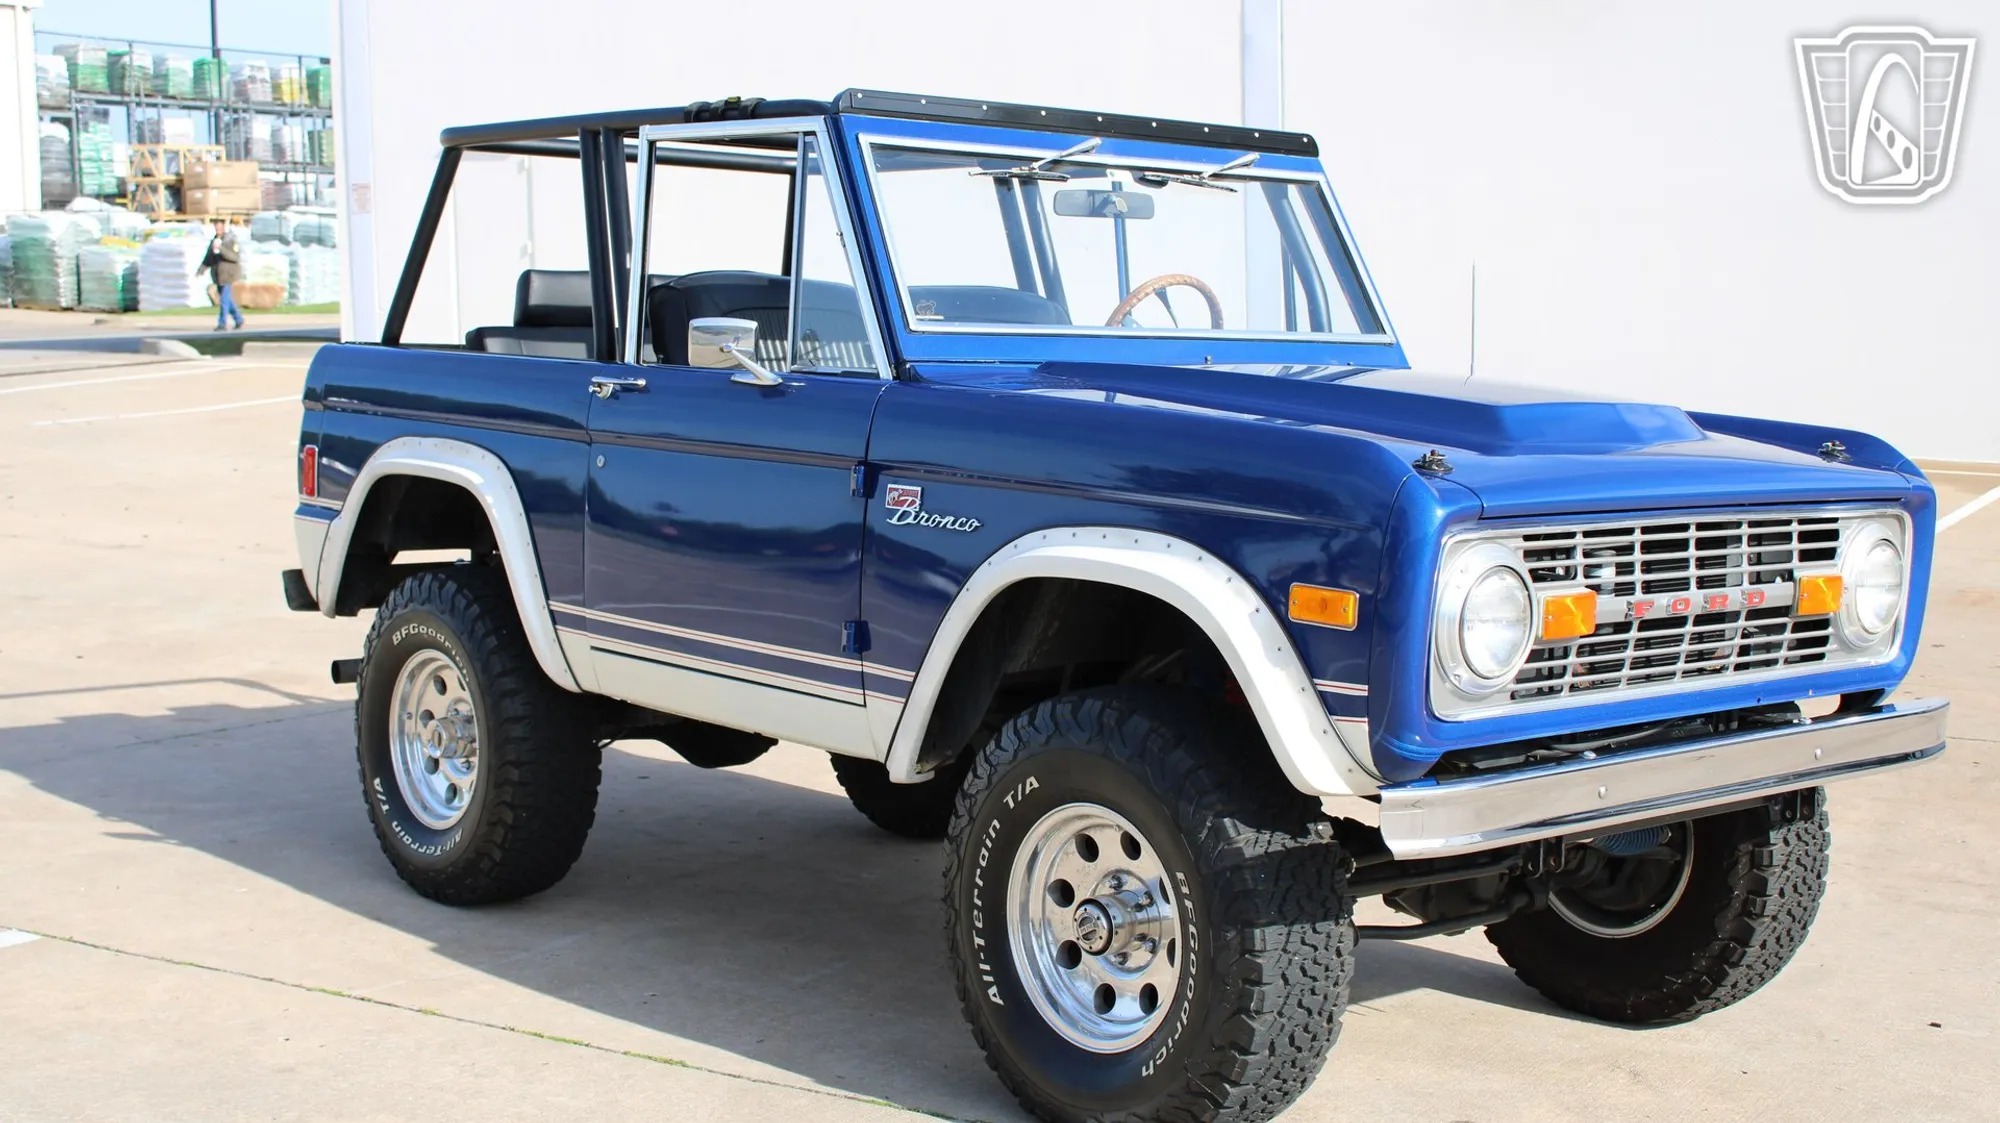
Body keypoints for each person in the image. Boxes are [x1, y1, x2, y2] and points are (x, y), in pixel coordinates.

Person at [202, 219, 245, 331]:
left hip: (228, 274)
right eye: (216, 227)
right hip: (218, 275)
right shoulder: (214, 241)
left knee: (224, 300)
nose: (218, 230)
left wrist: (221, 249)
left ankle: (222, 323)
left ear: (223, 227)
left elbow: (235, 257)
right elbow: (209, 258)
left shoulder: (230, 240)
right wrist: (201, 269)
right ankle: (238, 319)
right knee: (226, 299)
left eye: (219, 227)